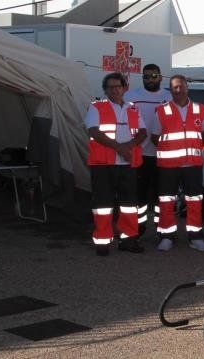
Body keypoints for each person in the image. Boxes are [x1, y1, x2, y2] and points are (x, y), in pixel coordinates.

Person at [85, 72, 147, 256]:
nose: (114, 90)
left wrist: (128, 146)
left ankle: (128, 239)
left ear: (124, 88)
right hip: (103, 163)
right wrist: (119, 148)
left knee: (129, 203)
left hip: (127, 163)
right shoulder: (96, 107)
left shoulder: (133, 108)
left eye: (118, 86)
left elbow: (142, 132)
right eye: (110, 87)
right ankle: (102, 240)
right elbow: (94, 132)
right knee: (103, 203)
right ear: (105, 90)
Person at [151, 75, 204, 252]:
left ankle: (195, 237)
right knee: (167, 201)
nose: (178, 90)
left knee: (194, 201)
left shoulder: (200, 109)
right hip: (169, 165)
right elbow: (155, 137)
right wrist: (171, 149)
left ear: (187, 88)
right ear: (170, 90)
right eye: (175, 88)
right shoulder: (161, 110)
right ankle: (167, 236)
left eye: (181, 87)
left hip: (192, 164)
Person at [124, 64, 172, 234]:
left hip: (164, 154)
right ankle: (139, 228)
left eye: (154, 76)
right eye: (146, 76)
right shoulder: (131, 96)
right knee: (140, 194)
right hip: (140, 153)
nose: (150, 79)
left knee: (162, 194)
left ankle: (162, 229)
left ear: (160, 77)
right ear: (142, 78)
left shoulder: (169, 96)